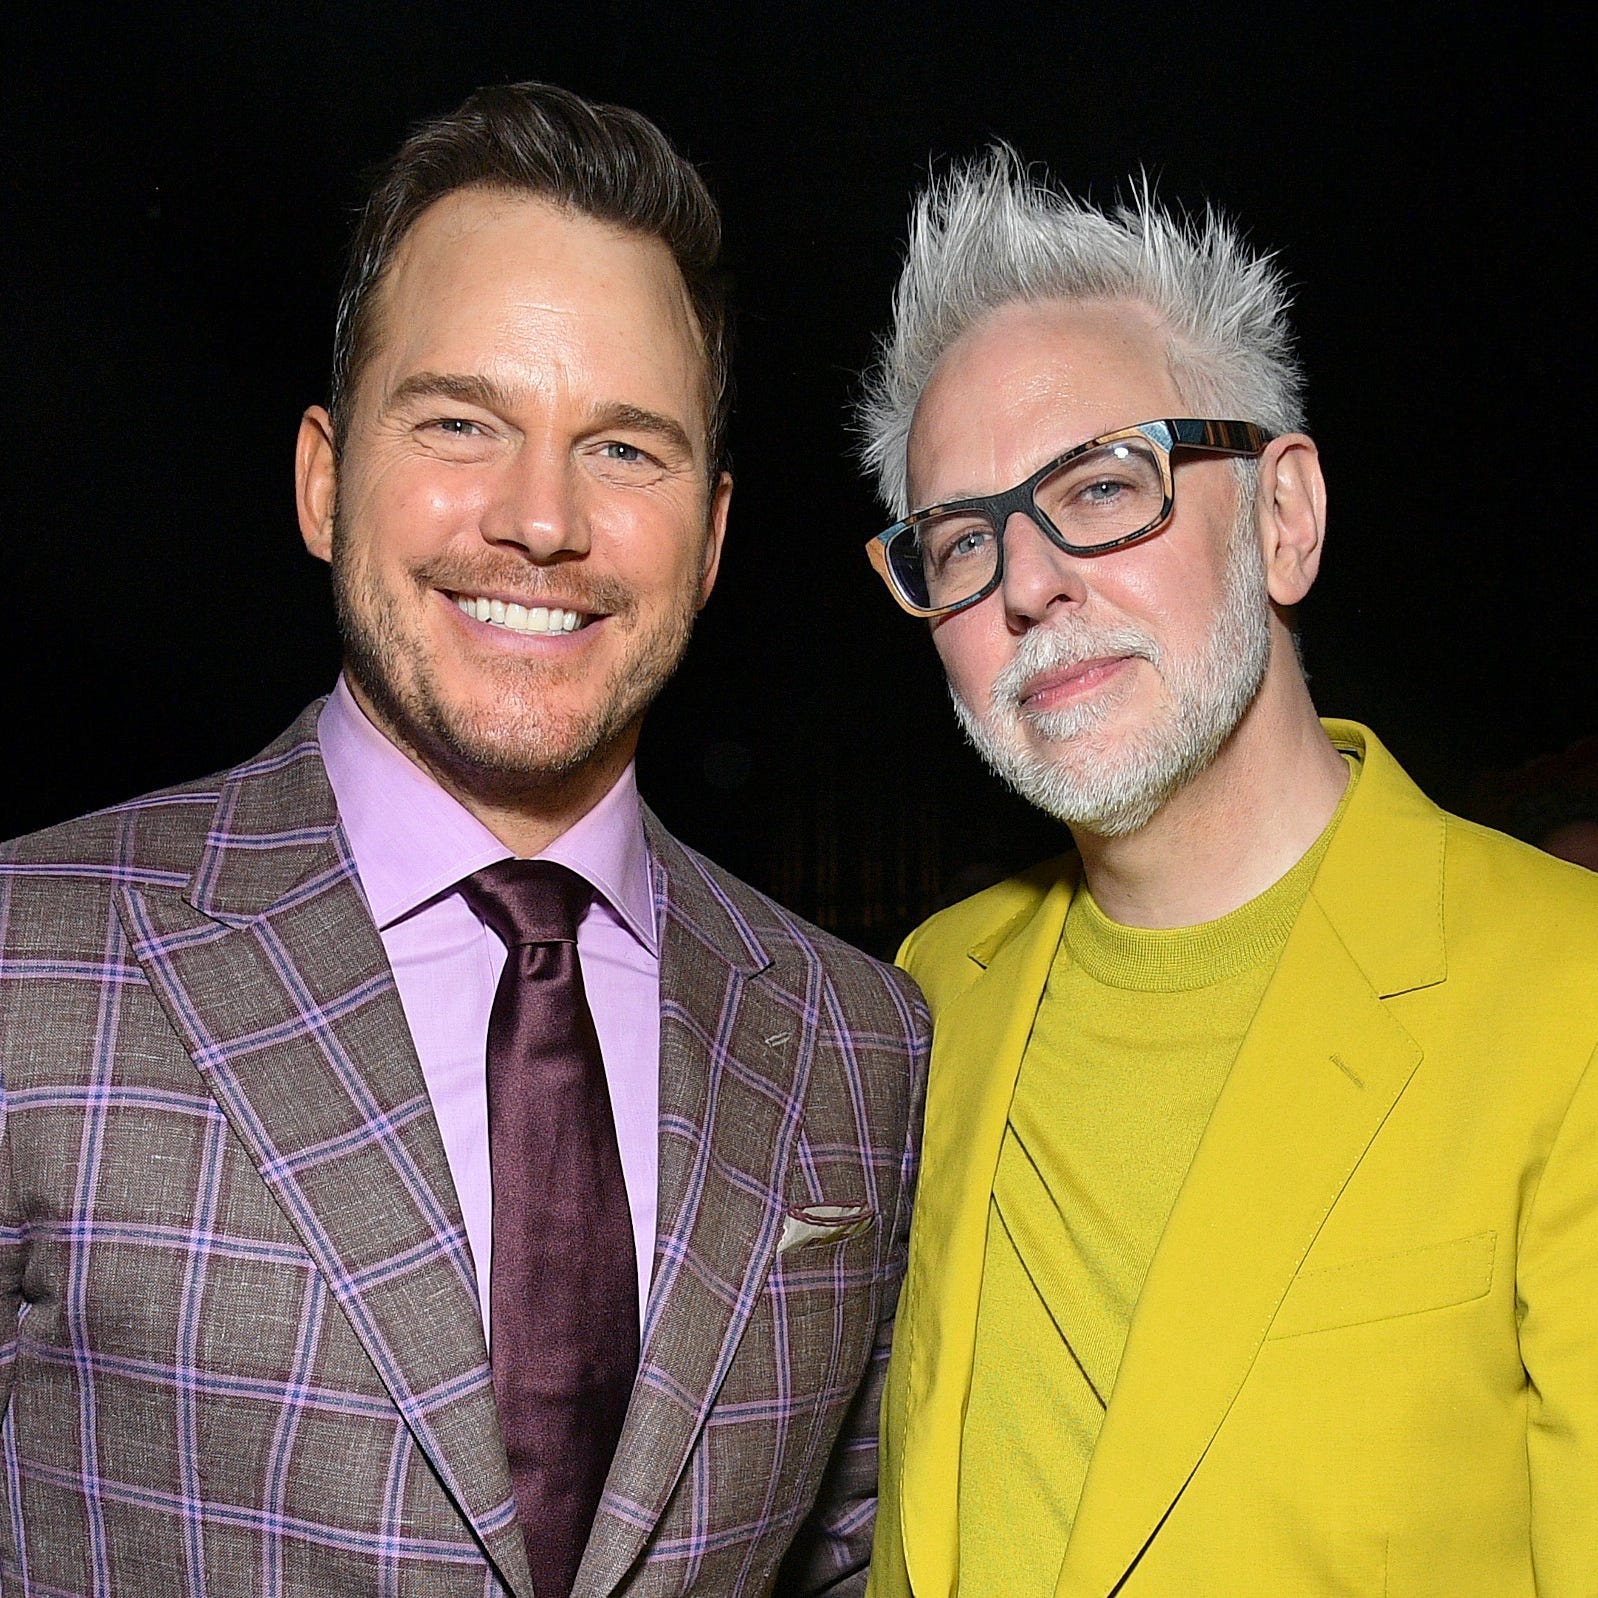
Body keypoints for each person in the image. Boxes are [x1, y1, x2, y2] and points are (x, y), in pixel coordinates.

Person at [0, 83, 928, 1597]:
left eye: (624, 449)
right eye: (459, 422)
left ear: (708, 536)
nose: (540, 519)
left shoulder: (858, 1045)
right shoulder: (30, 964)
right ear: (322, 478)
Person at [854, 148, 1597, 1597]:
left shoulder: (1565, 993)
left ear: (1282, 516)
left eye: (1101, 485)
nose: (1024, 583)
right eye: (959, 538)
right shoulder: (923, 999)